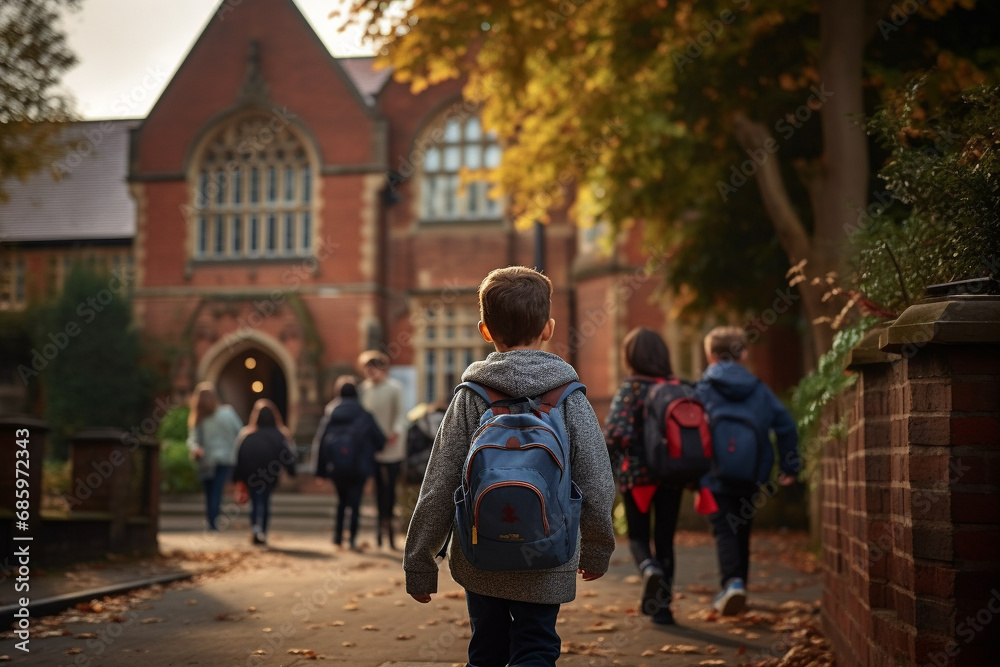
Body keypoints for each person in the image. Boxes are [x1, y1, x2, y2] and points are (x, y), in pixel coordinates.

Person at [404, 266, 616, 667]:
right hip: (549, 553)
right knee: (537, 646)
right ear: (549, 328)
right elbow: (597, 480)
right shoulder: (569, 396)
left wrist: (419, 562)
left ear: (485, 330)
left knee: (486, 649)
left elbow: (439, 483)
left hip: (482, 552)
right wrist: (597, 548)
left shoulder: (471, 397)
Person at [696, 326, 801, 616]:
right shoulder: (758, 389)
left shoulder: (703, 388)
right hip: (751, 471)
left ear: (710, 355)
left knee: (724, 529)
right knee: (742, 526)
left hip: (714, 473)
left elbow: (690, 428)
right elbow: (786, 427)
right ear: (743, 353)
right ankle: (738, 586)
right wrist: (790, 465)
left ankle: (732, 584)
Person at [603, 327, 684, 625]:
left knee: (638, 535)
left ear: (631, 356)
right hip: (672, 475)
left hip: (637, 476)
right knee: (666, 539)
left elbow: (616, 434)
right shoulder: (676, 386)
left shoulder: (631, 387)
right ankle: (663, 609)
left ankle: (648, 567)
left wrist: (606, 473)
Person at [313, 378, 385, 550]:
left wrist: (320, 472)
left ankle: (337, 537)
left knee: (341, 501)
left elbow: (321, 442)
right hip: (359, 467)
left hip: (337, 467)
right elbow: (379, 441)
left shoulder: (330, 415)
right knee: (355, 503)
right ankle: (352, 539)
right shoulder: (365, 415)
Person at [357, 350, 407, 549]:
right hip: (372, 447)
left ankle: (391, 527)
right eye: (367, 369)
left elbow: (401, 414)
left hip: (393, 445)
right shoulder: (363, 390)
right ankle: (379, 527)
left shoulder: (395, 388)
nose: (371, 372)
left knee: (391, 489)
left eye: (374, 368)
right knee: (377, 490)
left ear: (382, 368)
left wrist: (394, 432)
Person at [232, 399, 297, 545]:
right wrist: (292, 471)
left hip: (252, 475)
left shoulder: (248, 435)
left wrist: (237, 477)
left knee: (255, 501)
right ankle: (263, 531)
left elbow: (240, 456)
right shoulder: (279, 435)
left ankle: (255, 528)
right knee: (265, 501)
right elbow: (287, 455)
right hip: (269, 475)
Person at [187, 382, 243, 531]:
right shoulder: (228, 413)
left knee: (209, 492)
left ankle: (211, 521)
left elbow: (192, 440)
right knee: (217, 491)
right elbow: (240, 433)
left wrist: (196, 449)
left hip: (206, 459)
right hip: (225, 459)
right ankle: (213, 523)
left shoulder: (198, 417)